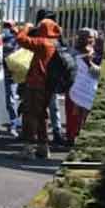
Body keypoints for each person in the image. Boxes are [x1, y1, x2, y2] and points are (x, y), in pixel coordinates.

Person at [14, 17, 63, 160]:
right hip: (47, 85)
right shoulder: (56, 43)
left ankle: (28, 149)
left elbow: (21, 39)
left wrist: (27, 27)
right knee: (41, 116)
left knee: (30, 115)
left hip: (36, 85)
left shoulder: (43, 43)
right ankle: (43, 147)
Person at [32, 9, 66, 145]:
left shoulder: (56, 34)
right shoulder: (36, 33)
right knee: (38, 107)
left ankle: (55, 133)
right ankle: (36, 133)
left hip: (49, 76)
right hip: (38, 74)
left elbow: (63, 50)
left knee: (52, 106)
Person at [65, 28, 101, 144]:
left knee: (80, 114)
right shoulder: (77, 53)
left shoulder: (95, 53)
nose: (92, 40)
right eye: (90, 37)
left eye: (93, 38)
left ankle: (75, 136)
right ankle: (72, 136)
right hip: (76, 88)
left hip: (86, 88)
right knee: (74, 114)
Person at [1, 19, 21, 138]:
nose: (7, 28)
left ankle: (13, 125)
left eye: (9, 26)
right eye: (5, 25)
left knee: (11, 100)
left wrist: (17, 33)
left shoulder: (18, 39)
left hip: (11, 74)